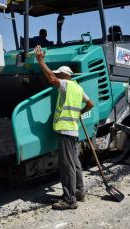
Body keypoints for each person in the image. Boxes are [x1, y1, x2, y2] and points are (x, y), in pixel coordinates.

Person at [34, 45, 94, 210]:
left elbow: (52, 79)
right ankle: (79, 192)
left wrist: (40, 61)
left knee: (66, 165)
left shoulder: (66, 84)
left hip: (65, 129)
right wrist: (79, 112)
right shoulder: (78, 88)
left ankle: (69, 199)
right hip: (73, 129)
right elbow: (91, 104)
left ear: (65, 75)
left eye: (60, 74)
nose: (58, 76)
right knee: (74, 162)